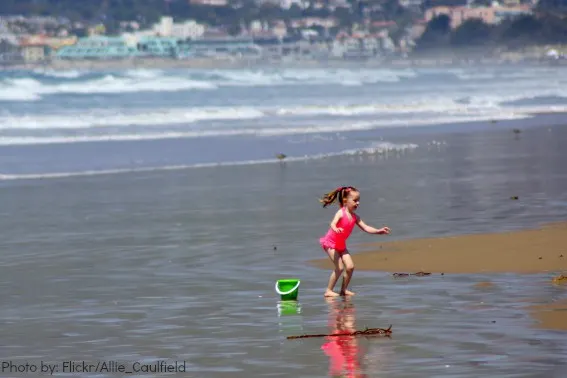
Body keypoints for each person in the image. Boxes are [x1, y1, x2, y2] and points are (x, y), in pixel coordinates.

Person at [319, 186, 391, 297]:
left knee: (350, 267)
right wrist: (335, 228)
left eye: (358, 201)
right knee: (339, 268)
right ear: (345, 201)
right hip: (331, 243)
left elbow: (366, 227)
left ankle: (343, 290)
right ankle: (328, 291)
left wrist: (378, 231)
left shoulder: (355, 217)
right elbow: (333, 223)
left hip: (341, 245)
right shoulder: (341, 213)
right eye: (355, 200)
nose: (357, 203)